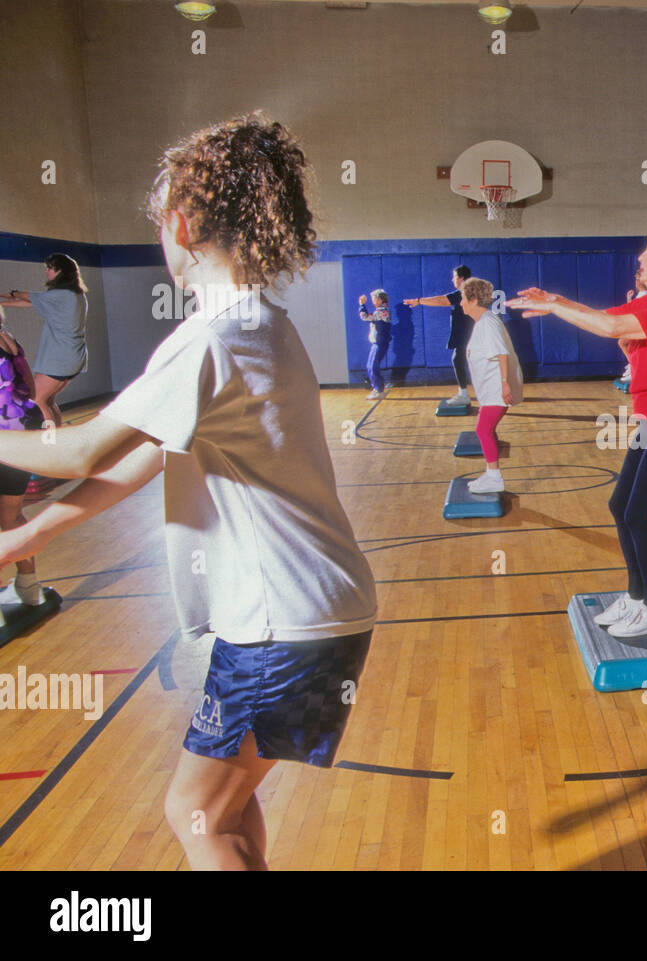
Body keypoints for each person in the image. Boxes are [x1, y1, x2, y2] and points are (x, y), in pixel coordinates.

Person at [0, 114, 376, 870]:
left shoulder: (210, 339)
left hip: (284, 625)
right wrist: (24, 537)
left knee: (194, 809)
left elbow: (77, 447)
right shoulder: (261, 325)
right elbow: (139, 462)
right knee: (226, 809)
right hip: (315, 615)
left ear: (180, 220)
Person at [508, 220, 647, 639]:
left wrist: (556, 307)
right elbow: (602, 319)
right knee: (620, 507)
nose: (640, 256)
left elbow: (611, 327)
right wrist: (556, 299)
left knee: (638, 513)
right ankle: (636, 597)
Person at [2, 253, 90, 426]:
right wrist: (2, 303)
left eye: (50, 268)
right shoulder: (75, 295)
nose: (47, 272)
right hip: (73, 357)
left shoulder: (62, 295)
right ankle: (58, 436)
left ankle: (51, 440)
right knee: (48, 400)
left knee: (36, 399)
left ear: (60, 272)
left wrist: (13, 293)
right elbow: (34, 302)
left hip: (62, 358)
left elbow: (28, 297)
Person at [0, 307, 45, 606]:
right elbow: (27, 387)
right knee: (11, 515)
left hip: (5, 433)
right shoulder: (9, 340)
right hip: (21, 430)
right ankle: (29, 586)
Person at [461, 278, 523, 494]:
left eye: (463, 299)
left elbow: (502, 353)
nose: (461, 303)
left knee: (483, 429)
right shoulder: (484, 321)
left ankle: (494, 477)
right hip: (492, 390)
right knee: (486, 429)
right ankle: (490, 473)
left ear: (473, 300)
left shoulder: (487, 322)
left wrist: (505, 384)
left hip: (498, 390)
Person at [404, 265, 472, 406]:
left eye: (454, 276)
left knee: (459, 360)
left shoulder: (465, 292)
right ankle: (464, 393)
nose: (452, 279)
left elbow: (442, 300)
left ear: (462, 278)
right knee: (458, 359)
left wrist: (419, 300)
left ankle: (465, 394)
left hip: (470, 333)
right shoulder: (464, 292)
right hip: (464, 333)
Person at [616, 268, 647, 385]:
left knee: (624, 343)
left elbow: (633, 312)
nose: (636, 282)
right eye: (636, 279)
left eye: (637, 279)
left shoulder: (645, 295)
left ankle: (634, 368)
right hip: (638, 328)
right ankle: (633, 366)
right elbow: (632, 310)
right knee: (624, 343)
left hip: (641, 330)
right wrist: (629, 300)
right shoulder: (642, 295)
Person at [358, 288, 391, 400]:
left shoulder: (382, 311)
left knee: (373, 366)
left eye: (374, 298)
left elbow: (365, 317)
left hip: (380, 342)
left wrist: (362, 305)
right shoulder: (380, 310)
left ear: (380, 299)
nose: (372, 300)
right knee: (370, 366)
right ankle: (377, 388)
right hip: (377, 342)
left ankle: (378, 389)